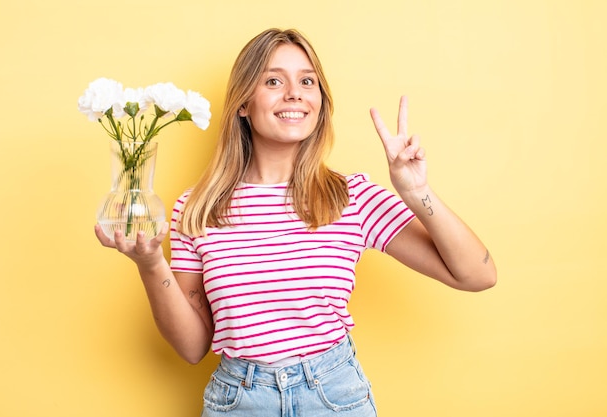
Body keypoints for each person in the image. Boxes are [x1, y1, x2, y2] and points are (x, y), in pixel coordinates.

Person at [95, 28, 496, 417]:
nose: (295, 94)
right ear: (242, 103)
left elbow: (477, 275)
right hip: (239, 402)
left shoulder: (349, 197)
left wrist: (416, 191)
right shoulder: (198, 208)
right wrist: (150, 265)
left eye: (307, 81)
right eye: (273, 80)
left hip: (334, 396)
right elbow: (192, 347)